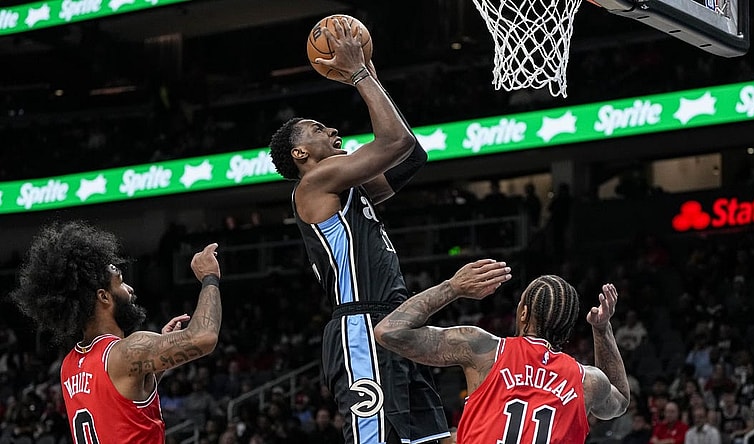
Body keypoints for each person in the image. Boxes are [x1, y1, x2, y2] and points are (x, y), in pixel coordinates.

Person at [268, 17, 447, 444]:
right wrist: (359, 75)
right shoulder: (313, 185)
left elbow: (411, 154)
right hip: (362, 327)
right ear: (300, 153)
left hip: (395, 321)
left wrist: (370, 73)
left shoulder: (351, 187)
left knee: (432, 439)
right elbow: (393, 144)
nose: (332, 130)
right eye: (317, 129)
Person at [9, 221, 222, 443]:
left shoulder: (69, 365)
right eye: (120, 282)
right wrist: (210, 278)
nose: (130, 288)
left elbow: (123, 403)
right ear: (103, 297)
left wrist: (159, 358)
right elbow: (204, 337)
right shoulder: (124, 352)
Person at [374, 261, 631, 443]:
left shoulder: (482, 349)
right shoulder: (588, 381)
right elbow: (620, 402)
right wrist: (601, 329)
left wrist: (453, 287)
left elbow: (389, 332)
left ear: (523, 313)